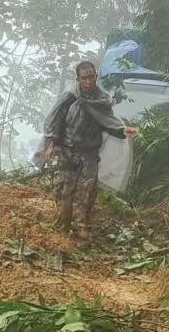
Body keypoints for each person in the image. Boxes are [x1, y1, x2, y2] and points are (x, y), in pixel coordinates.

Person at [43, 59, 139, 232]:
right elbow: (55, 120)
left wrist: (123, 130)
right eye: (84, 78)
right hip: (68, 149)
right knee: (64, 188)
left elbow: (108, 121)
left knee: (86, 191)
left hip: (89, 152)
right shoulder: (69, 97)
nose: (88, 81)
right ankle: (62, 226)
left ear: (96, 76)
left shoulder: (101, 100)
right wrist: (50, 144)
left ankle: (81, 227)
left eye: (91, 77)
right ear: (78, 79)